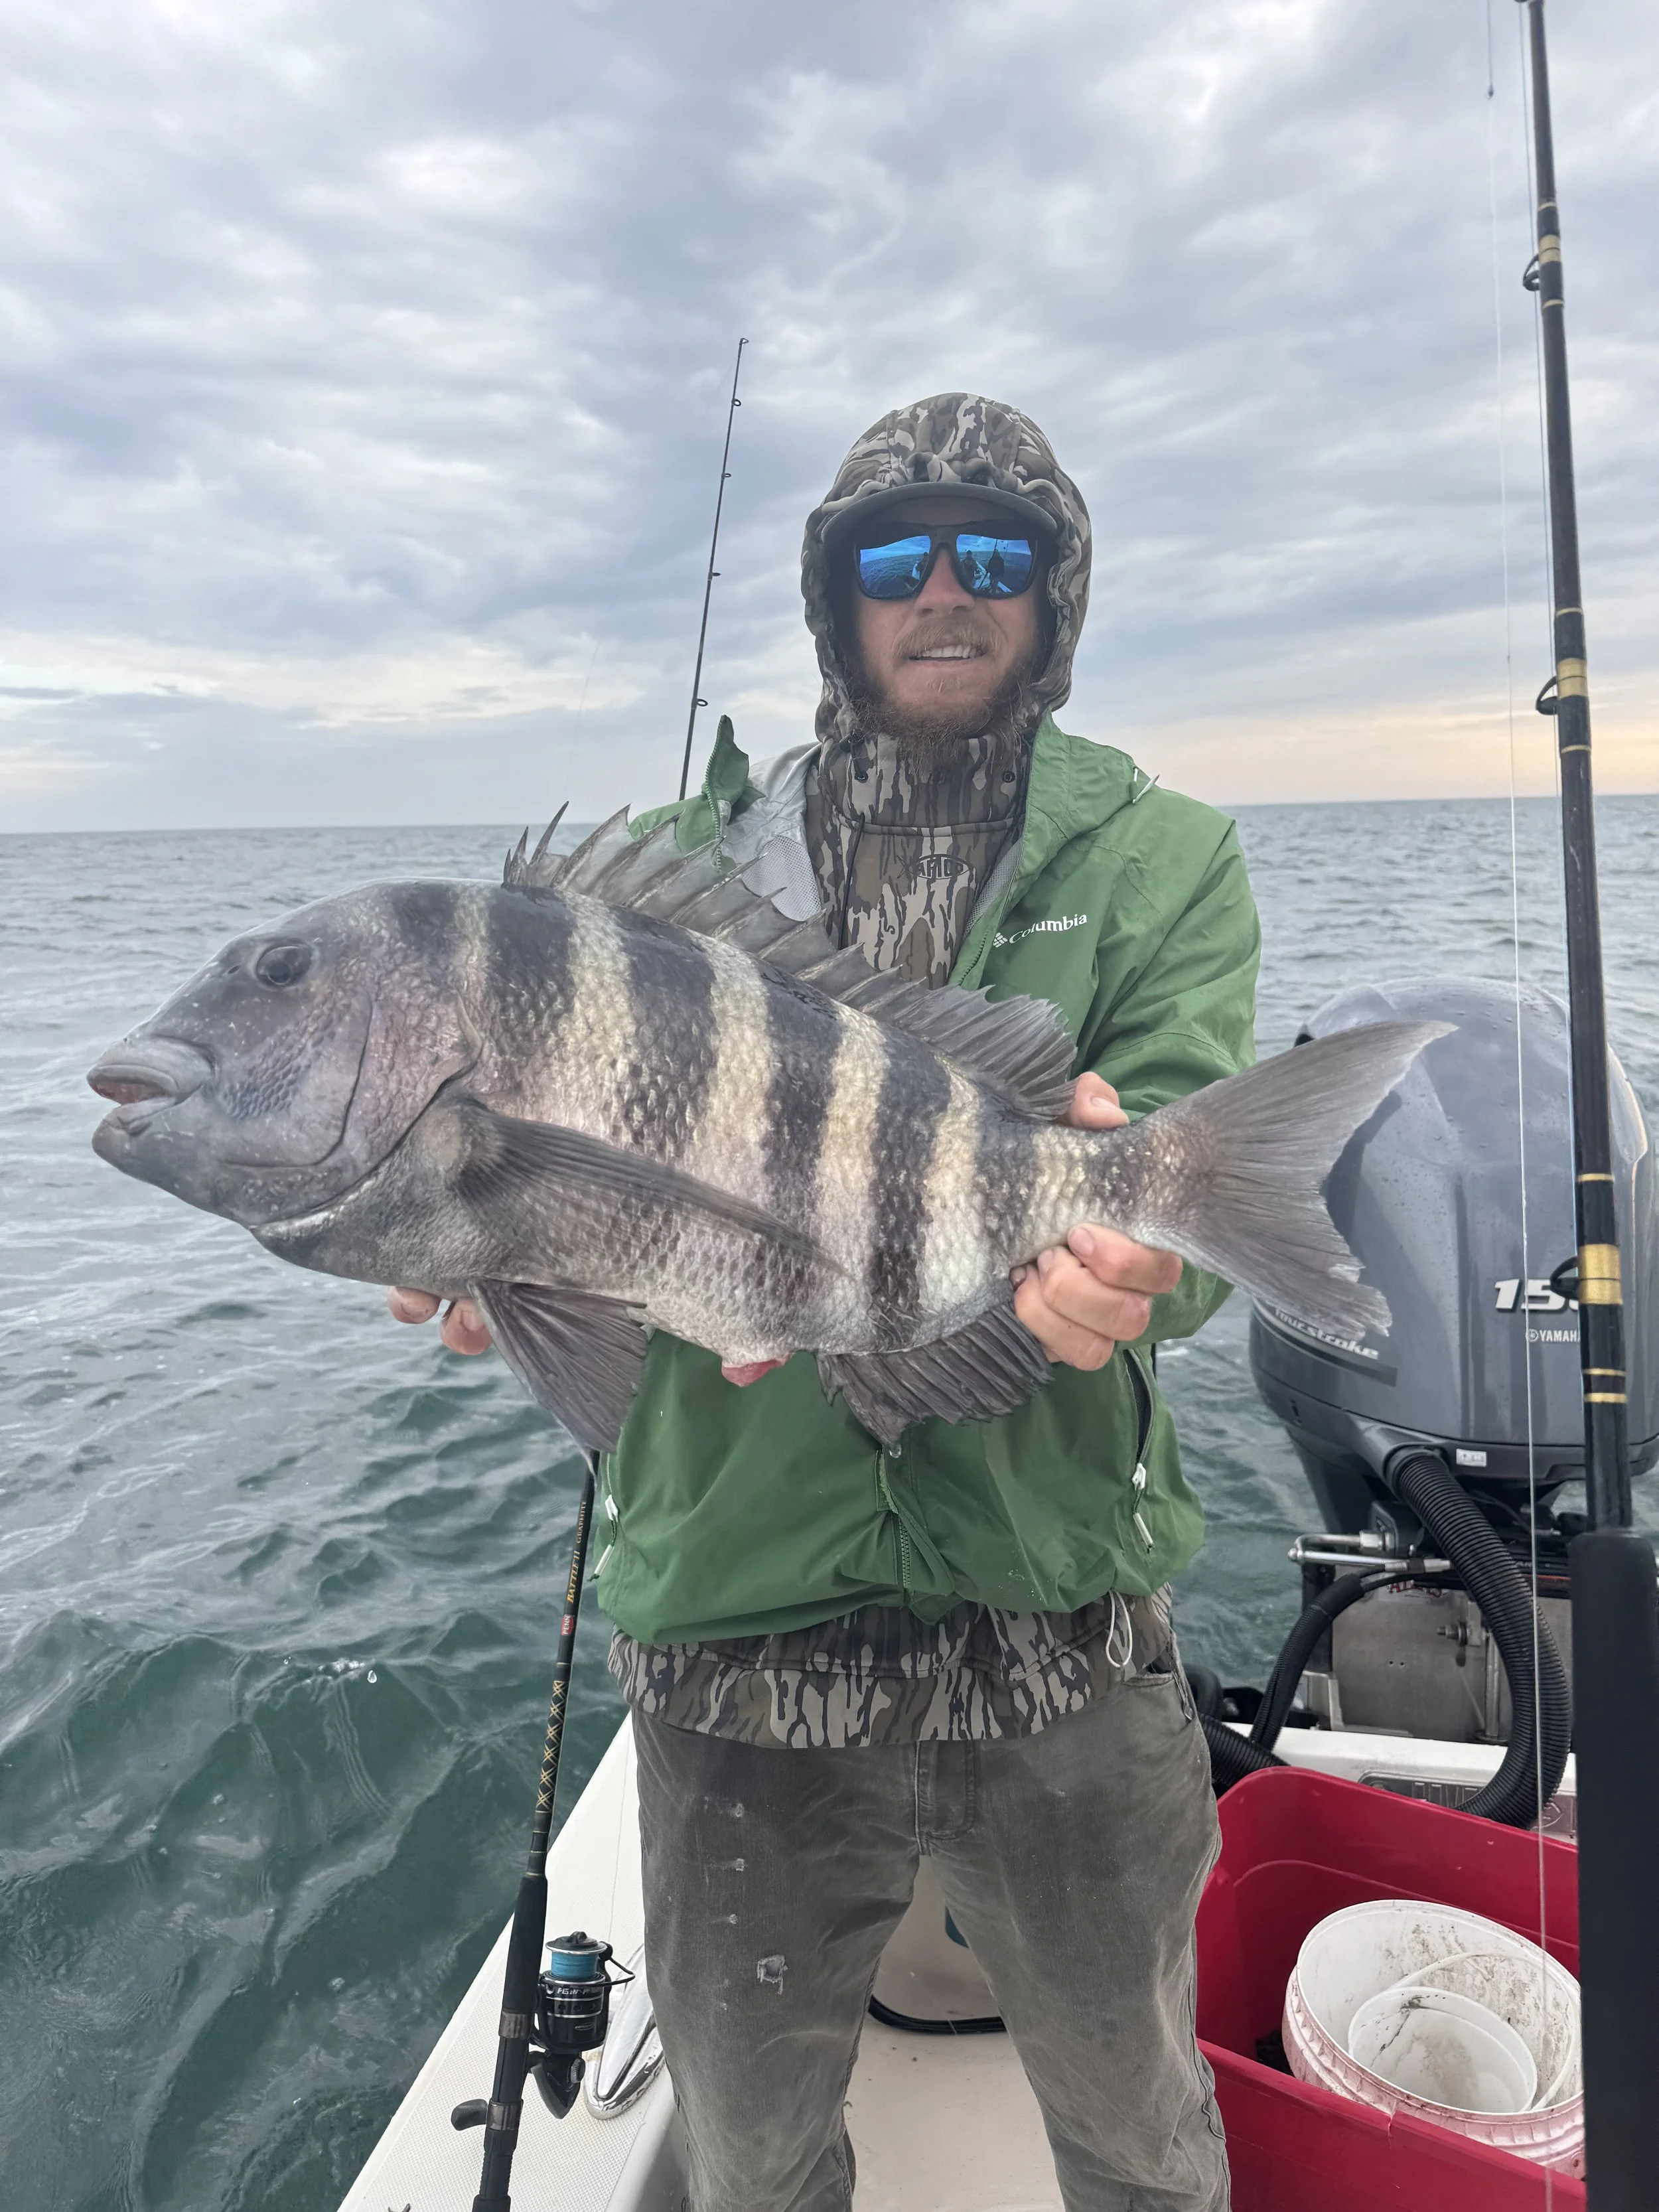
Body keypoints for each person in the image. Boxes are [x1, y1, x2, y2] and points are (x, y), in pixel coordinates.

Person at [392, 392, 1258, 2212]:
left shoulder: (1164, 856)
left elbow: (1158, 1221)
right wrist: (491, 1259)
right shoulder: (658, 883)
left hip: (1062, 1618)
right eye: (892, 555)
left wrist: (1138, 1273)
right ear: (829, 598)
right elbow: (568, 1234)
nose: (943, 591)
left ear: (1058, 594)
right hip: (735, 1624)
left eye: (996, 554)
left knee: (1139, 2126)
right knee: (751, 2149)